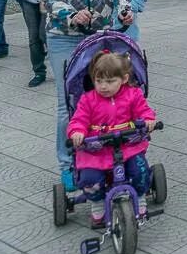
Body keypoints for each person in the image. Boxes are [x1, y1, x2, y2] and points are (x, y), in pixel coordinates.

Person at [38, 0, 134, 192]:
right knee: (69, 103)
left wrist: (123, 9)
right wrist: (71, 14)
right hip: (64, 37)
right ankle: (68, 165)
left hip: (100, 33)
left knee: (105, 96)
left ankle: (107, 155)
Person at [67, 51, 156, 226]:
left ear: (123, 79)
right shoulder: (88, 99)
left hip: (127, 145)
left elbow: (143, 110)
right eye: (98, 81)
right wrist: (77, 131)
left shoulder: (133, 94)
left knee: (140, 171)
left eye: (109, 81)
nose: (103, 87)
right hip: (95, 149)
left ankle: (140, 195)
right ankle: (97, 202)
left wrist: (148, 119)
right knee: (89, 178)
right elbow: (79, 119)